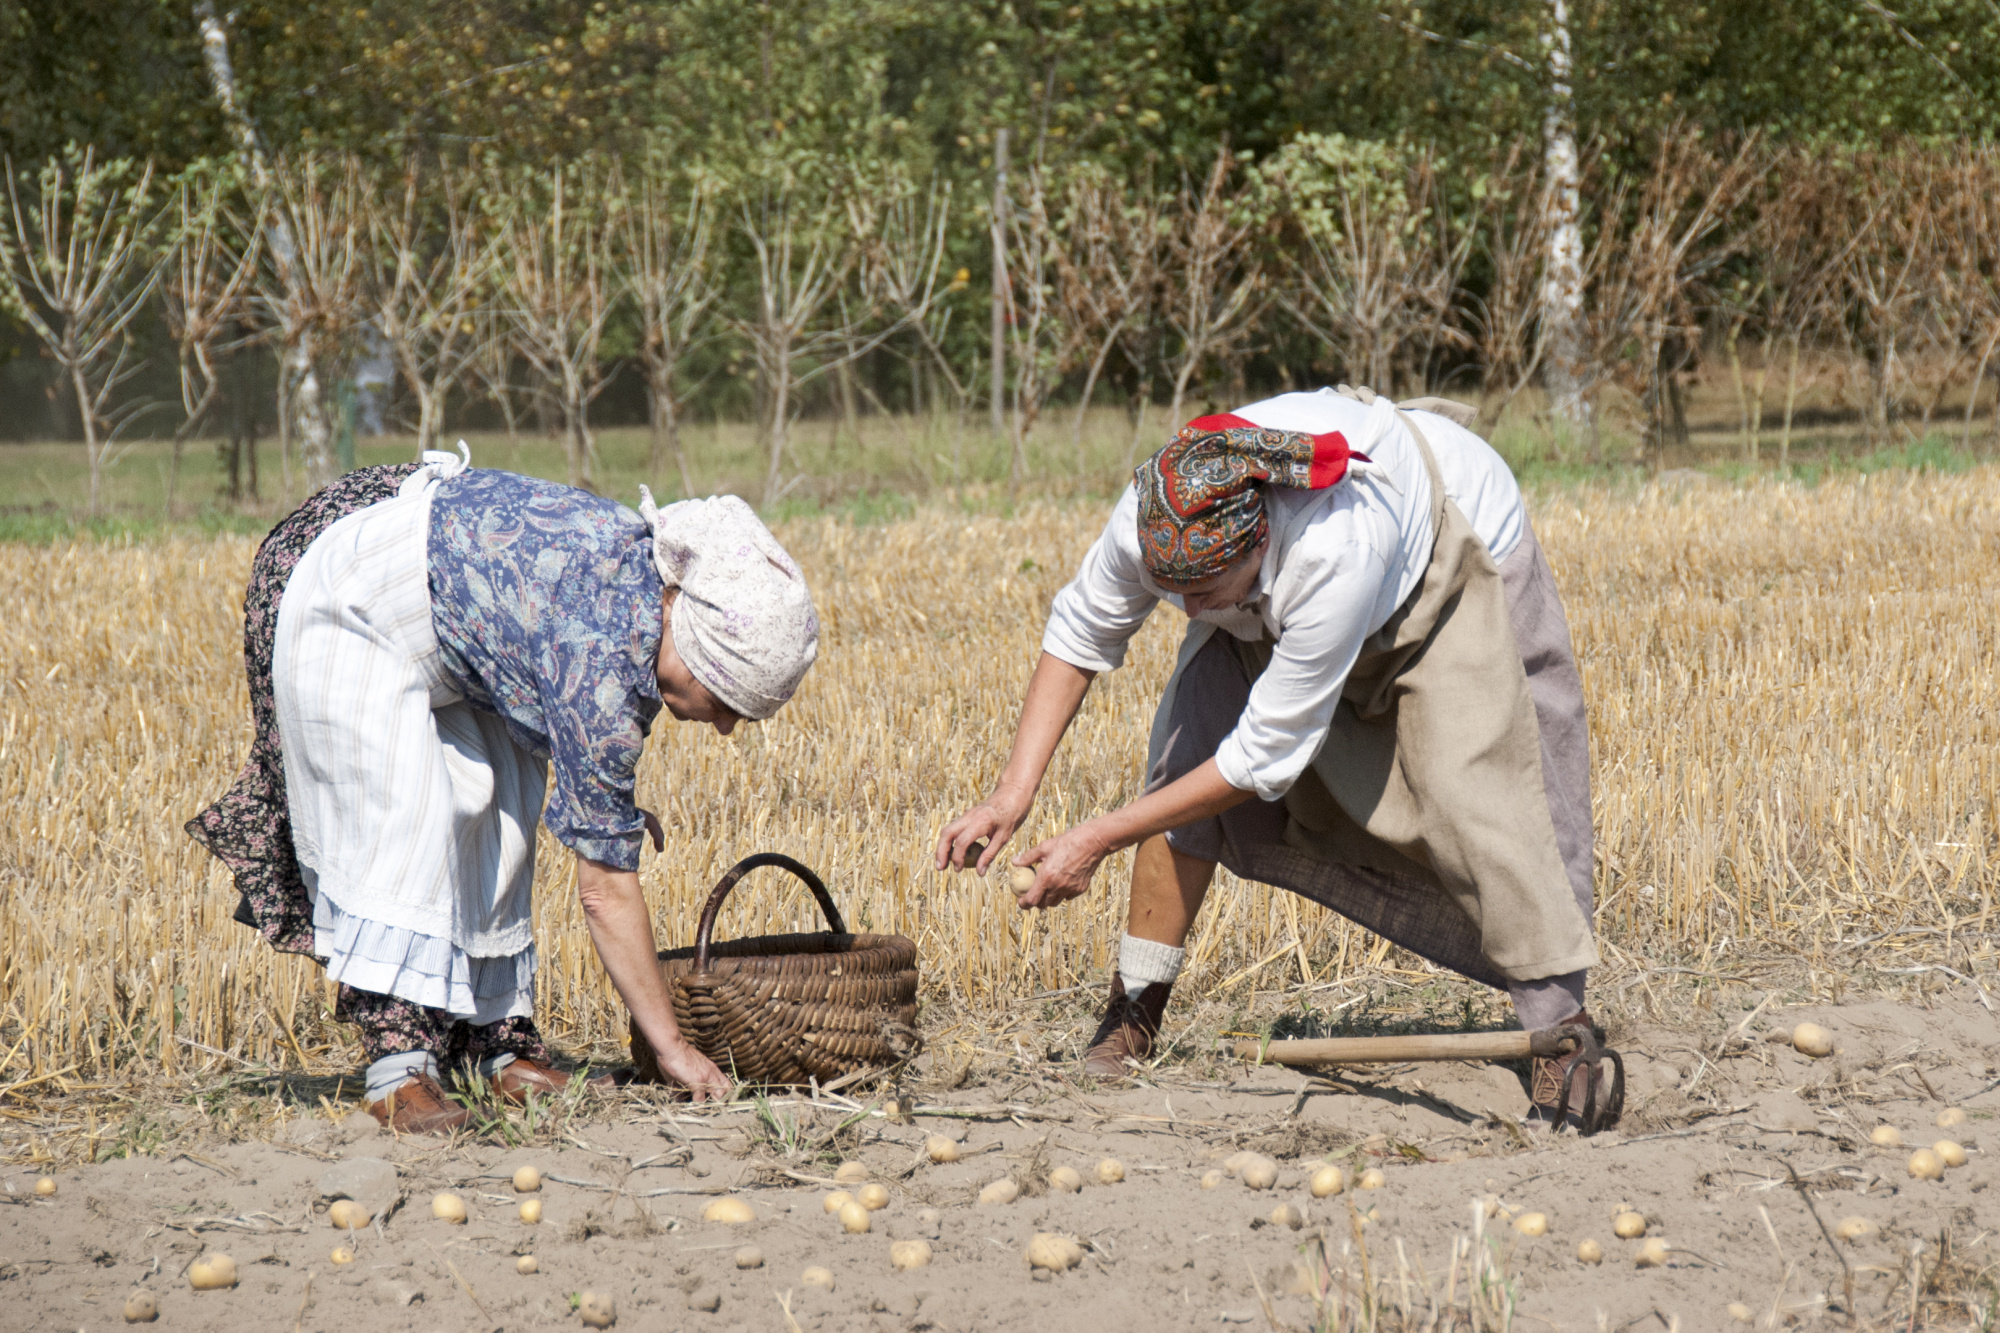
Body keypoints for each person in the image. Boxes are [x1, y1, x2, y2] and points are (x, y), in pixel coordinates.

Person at [935, 387, 1604, 1120]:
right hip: (1291, 592)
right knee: (1186, 735)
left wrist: (1097, 836)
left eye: (1204, 591)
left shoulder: (1334, 548)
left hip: (1447, 557)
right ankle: (1134, 1012)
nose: (1189, 611)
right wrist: (1012, 793)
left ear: (1258, 545)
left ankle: (1560, 1038)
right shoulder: (1157, 516)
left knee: (1480, 798)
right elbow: (1081, 632)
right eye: (1172, 590)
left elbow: (1262, 759)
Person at [188, 447, 819, 1133]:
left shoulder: (637, 604)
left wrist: (602, 800)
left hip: (443, 629)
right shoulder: (604, 659)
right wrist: (672, 1047)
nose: (725, 727)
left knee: (503, 801)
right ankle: (397, 1072)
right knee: (406, 822)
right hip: (351, 589)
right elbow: (604, 891)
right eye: (728, 701)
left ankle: (499, 1050)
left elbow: (564, 699)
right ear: (695, 644)